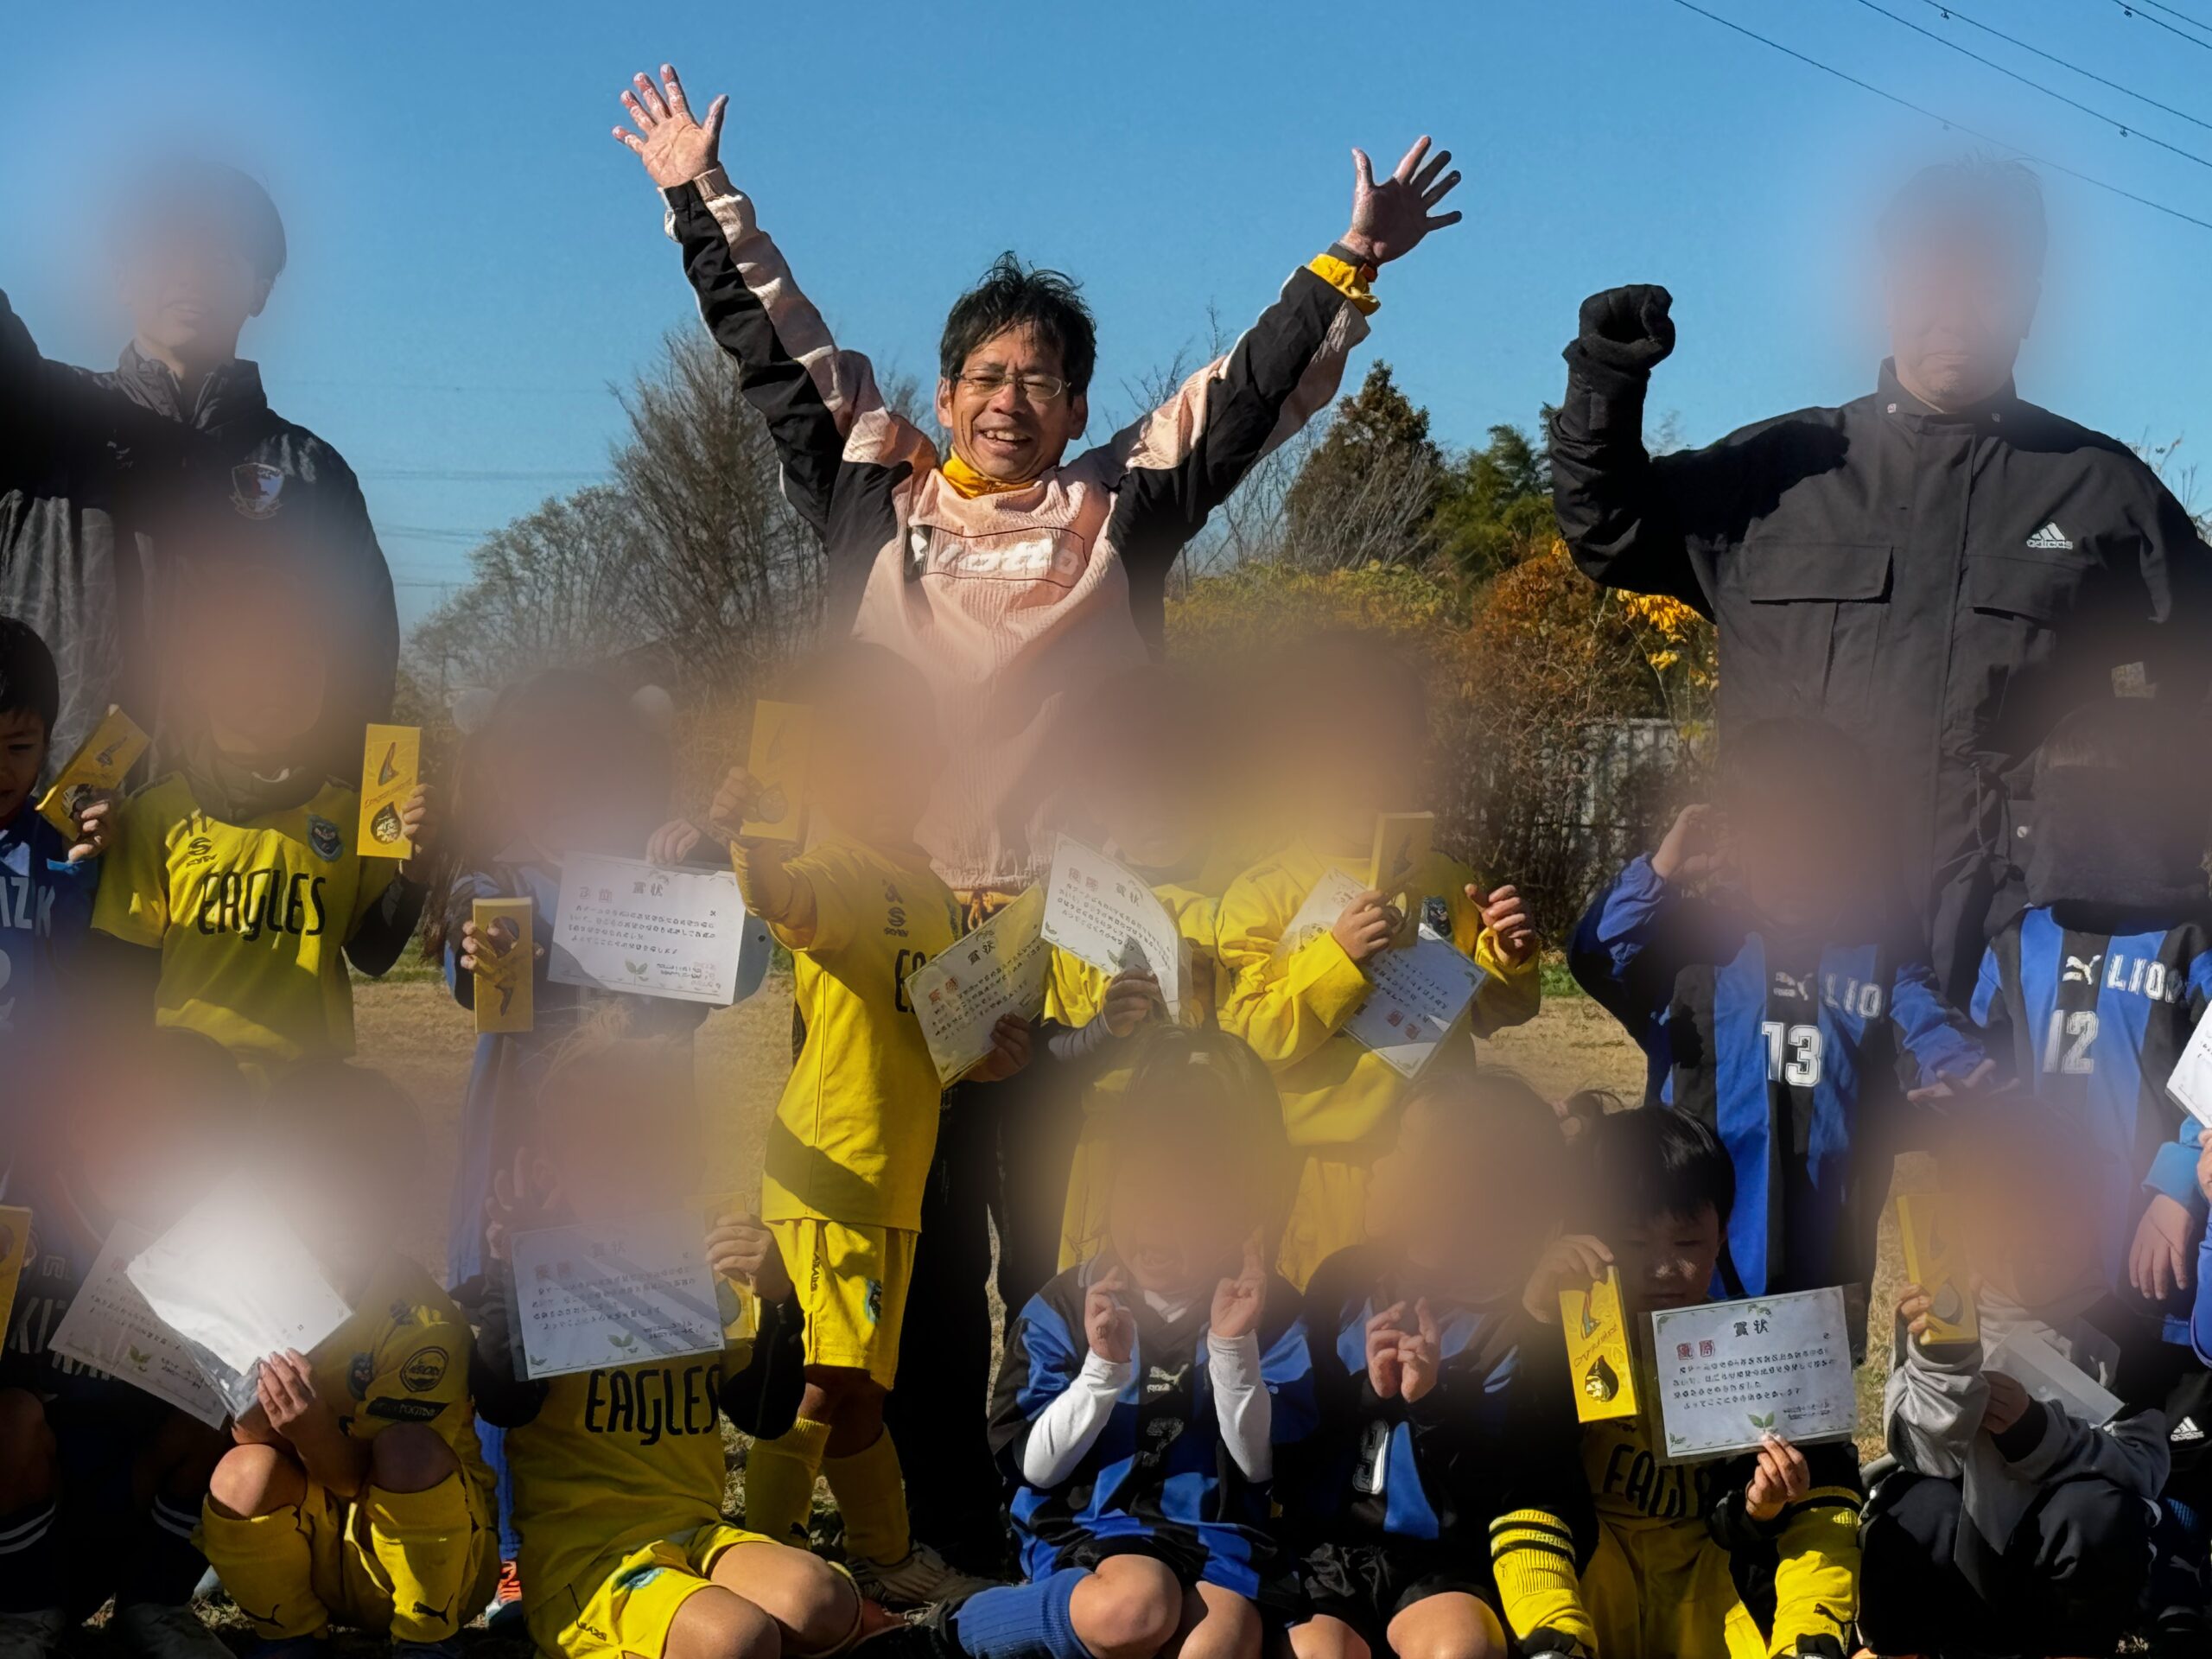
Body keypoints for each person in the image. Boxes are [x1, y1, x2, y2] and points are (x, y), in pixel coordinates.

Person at [615, 64, 1462, 1560]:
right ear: (946, 395)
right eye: (988, 378)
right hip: (892, 933)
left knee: (1067, 1241)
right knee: (917, 1246)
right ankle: (943, 1530)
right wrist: (698, 192)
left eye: (1044, 382)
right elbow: (774, 347)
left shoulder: (1119, 510)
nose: (1013, 402)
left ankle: (1062, 1503)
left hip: (1067, 935)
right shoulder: (872, 488)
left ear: (1076, 405)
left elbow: (1243, 399)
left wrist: (1352, 261)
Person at [1550, 156, 2212, 1002]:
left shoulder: (2105, 494)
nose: (1955, 306)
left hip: (2004, 985)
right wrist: (1605, 381)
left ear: (2029, 300)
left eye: (1985, 279)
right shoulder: (1780, 471)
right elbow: (1608, 531)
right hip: (1789, 975)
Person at [708, 645, 1023, 1608]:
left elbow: (938, 1040)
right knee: (824, 1376)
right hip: (833, 1176)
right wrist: (753, 837)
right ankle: (763, 1557)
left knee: (866, 1389)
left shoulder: (933, 892)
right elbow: (781, 898)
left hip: (898, 1181)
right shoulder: (840, 868)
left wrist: (991, 1055)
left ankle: (886, 1558)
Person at [422, 670, 713, 1619]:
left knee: (615, 1317)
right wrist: (477, 953)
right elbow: (470, 976)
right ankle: (511, 1543)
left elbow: (703, 993)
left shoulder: (650, 872)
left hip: (633, 1139)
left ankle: (635, 1507)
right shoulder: (496, 879)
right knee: (514, 1319)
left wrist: (703, 876)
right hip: (524, 1137)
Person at [885, 1029, 1311, 1659]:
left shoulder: (1268, 1311)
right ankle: (952, 1633)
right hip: (1090, 1524)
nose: (1153, 1222)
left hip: (1214, 1529)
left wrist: (1230, 1349)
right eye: (1136, 1196)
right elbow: (1033, 1466)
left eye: (1185, 1207)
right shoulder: (1064, 1306)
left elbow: (1259, 1467)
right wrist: (1102, 1372)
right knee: (1136, 1606)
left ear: (1236, 1214)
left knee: (1225, 1639)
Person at [464, 1020, 872, 1659]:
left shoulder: (696, 1258)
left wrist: (779, 1302)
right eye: (602, 1156)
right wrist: (509, 1280)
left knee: (825, 1601)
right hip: (588, 1560)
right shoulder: (542, 1268)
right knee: (740, 1638)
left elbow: (762, 1416)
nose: (632, 1175)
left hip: (698, 1533)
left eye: (652, 1151)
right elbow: (501, 1402)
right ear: (550, 1166)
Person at [1569, 718, 1988, 1317]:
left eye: (1817, 844)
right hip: (1683, 1274)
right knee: (1679, 1378)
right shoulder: (1689, 945)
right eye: (1776, 843)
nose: (1796, 867)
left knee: (1809, 1384)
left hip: (1823, 1282)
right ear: (1740, 838)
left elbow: (1931, 1030)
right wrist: (1660, 872)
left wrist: (1965, 1073)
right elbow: (1594, 955)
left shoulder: (1878, 957)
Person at [1, 160, 397, 779]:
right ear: (122, 277)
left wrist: (348, 824)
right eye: (165, 250)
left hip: (244, 836)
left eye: (218, 254)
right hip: (48, 829)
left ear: (259, 289)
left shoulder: (314, 477)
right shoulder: (39, 414)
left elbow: (361, 673)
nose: (190, 272)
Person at [1216, 634, 1541, 1286]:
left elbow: (1491, 1013)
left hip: (1439, 1172)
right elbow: (1247, 1040)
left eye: (1388, 749)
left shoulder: (1445, 879)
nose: (1367, 773)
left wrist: (1509, 956)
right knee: (1322, 1332)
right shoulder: (1262, 893)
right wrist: (1335, 959)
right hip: (1314, 1175)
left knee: (1429, 1336)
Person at [86, 531, 435, 1078]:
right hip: (186, 1088)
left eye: (302, 661)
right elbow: (123, 976)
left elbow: (372, 955)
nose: (279, 681)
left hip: (309, 1093)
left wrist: (413, 875)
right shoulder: (153, 812)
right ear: (200, 678)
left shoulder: (358, 811)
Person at [1524, 1108, 1863, 1659]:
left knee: (1826, 1491)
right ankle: (1554, 1642)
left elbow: (1748, 1517)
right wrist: (1537, 1327)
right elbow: (1515, 1455)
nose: (1663, 1269)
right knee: (1524, 1504)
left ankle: (1808, 1639)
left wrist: (1760, 1506)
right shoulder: (1563, 1334)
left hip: (1711, 1581)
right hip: (1597, 1572)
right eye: (1634, 1243)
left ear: (1722, 1236)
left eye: (1686, 1244)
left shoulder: (1752, 1343)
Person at [1286, 1070, 1598, 1659]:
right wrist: (1365, 1394)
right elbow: (1296, 1440)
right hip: (1332, 1553)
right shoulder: (1345, 1280)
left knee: (1461, 1647)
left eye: (1402, 1150)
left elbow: (1522, 1481)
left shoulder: (1526, 1315)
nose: (1376, 1164)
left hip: (1447, 1562)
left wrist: (1432, 1403)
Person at [198, 1065, 499, 1659]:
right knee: (242, 1471)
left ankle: (427, 1639)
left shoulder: (423, 1321)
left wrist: (309, 1429)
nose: (342, 1205)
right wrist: (259, 1418)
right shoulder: (254, 1294)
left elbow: (364, 1477)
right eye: (319, 1180)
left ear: (399, 1195)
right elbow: (247, 1434)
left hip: (436, 1564)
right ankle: (289, 1636)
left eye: (367, 1181)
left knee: (409, 1449)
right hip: (319, 1559)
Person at [1861, 1103, 2183, 1656]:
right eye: (2008, 1216)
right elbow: (1920, 1455)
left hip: (2054, 1574)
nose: (2034, 1238)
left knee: (2099, 1512)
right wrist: (1944, 1366)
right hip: (1955, 1560)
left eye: (2057, 1214)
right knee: (1918, 1508)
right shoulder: (1937, 1313)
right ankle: (1896, 1648)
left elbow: (2144, 1468)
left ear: (2094, 1213)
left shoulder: (2122, 1331)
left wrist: (2039, 1434)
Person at [1971, 697, 2212, 1343]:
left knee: (2155, 1401)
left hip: (2162, 1252)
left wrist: (2178, 1188)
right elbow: (1983, 1069)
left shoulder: (2192, 941)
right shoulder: (2019, 938)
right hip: (2040, 1260)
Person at [0, 1030, 247, 1659]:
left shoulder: (208, 1231)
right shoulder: (22, 1209)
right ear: (77, 1124)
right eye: (124, 1117)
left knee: (225, 1404)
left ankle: (155, 1603)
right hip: (27, 1492)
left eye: (165, 1126)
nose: (141, 1140)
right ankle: (22, 1611)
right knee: (12, 1418)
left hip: (134, 1489)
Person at [0, 618, 112, 1046]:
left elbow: (80, 974)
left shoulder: (59, 839)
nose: (1, 768)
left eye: (19, 747)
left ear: (46, 744)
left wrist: (76, 866)